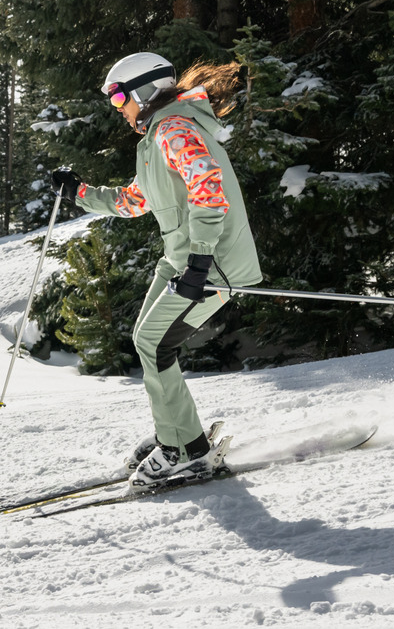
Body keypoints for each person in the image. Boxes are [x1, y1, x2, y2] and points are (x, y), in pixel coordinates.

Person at [50, 52, 262, 487]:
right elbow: (134, 200)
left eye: (119, 98)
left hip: (210, 264)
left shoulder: (174, 128)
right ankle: (179, 437)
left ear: (145, 90)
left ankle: (185, 451)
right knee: (148, 342)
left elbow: (209, 189)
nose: (118, 108)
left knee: (153, 343)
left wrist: (201, 260)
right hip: (183, 261)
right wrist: (79, 193)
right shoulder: (156, 138)